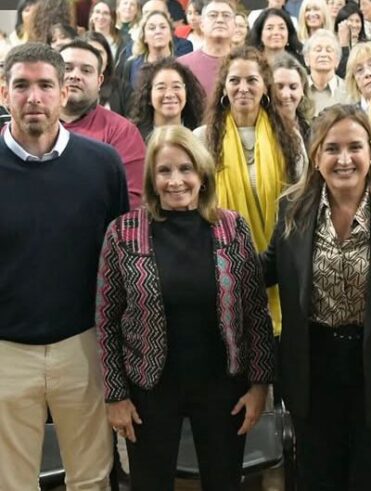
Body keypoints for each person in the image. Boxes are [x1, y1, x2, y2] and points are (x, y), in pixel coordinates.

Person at [260, 104, 371, 490]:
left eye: (355, 147)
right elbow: (263, 271)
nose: (344, 159)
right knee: (317, 478)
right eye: (332, 148)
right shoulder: (292, 209)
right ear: (316, 157)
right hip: (313, 371)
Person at [96, 125, 274, 490]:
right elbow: (107, 319)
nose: (175, 180)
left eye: (185, 169)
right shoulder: (123, 232)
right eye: (164, 170)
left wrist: (259, 386)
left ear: (202, 174)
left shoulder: (232, 228)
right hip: (149, 389)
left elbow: (257, 313)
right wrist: (115, 395)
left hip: (223, 388)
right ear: (151, 178)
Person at [0, 41, 128, 491]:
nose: (33, 97)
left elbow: (119, 264)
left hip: (83, 345)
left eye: (45, 85)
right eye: (21, 85)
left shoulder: (103, 165)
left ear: (63, 92)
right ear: (4, 92)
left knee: (91, 478)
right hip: (6, 352)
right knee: (11, 483)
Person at [195, 46, 305, 338]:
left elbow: (302, 206)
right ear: (224, 87)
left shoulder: (289, 139)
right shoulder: (201, 140)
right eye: (234, 80)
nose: (243, 88)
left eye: (252, 80)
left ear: (265, 86)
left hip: (281, 269)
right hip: (222, 270)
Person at [60, 40, 145, 209]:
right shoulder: (31, 127)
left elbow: (130, 201)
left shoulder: (122, 132)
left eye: (86, 70)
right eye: (67, 68)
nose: (75, 75)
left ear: (99, 81)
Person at [130, 58, 206, 140]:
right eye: (161, 88)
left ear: (187, 92)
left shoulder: (200, 136)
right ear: (148, 96)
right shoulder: (134, 136)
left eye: (176, 87)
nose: (169, 94)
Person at [178, 0, 235, 97]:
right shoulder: (182, 65)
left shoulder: (248, 63)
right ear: (202, 25)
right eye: (213, 15)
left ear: (235, 25)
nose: (220, 20)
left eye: (226, 15)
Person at [122, 9, 174, 88]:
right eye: (152, 28)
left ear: (171, 35)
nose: (158, 31)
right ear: (144, 37)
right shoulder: (131, 66)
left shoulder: (181, 64)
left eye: (163, 27)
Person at [304, 29, 350, 116]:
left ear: (337, 60)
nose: (323, 54)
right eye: (318, 50)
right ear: (307, 59)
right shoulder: (298, 89)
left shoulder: (349, 91)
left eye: (329, 50)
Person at [272, 52, 313, 144]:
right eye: (279, 87)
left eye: (293, 87)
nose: (286, 95)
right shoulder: (262, 127)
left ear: (303, 90)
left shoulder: (309, 128)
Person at [89, 0, 128, 64]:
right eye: (97, 12)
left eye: (105, 13)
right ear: (92, 16)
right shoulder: (85, 40)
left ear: (112, 18)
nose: (101, 17)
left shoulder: (125, 40)